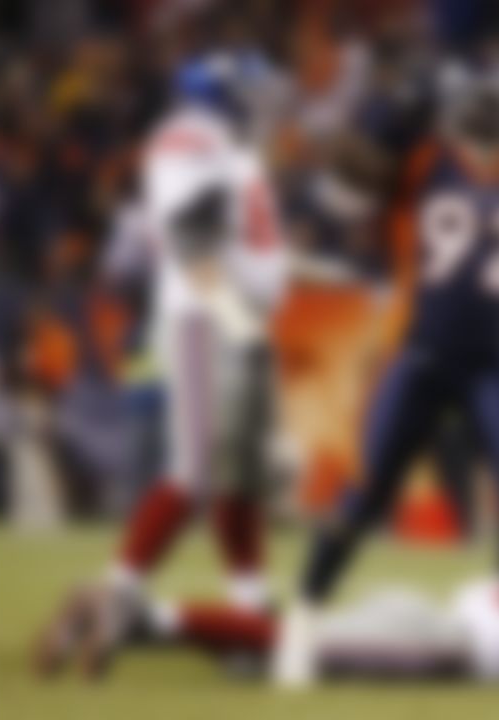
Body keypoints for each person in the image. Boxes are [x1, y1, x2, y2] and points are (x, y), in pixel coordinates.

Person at [273, 57, 499, 694]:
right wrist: (384, 112)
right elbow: (349, 164)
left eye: (496, 104)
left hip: (498, 356)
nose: (485, 116)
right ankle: (302, 627)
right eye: (474, 104)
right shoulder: (420, 160)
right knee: (365, 496)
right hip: (419, 352)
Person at [35, 51, 290, 678]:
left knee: (239, 476)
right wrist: (238, 319)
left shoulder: (228, 146)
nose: (265, 110)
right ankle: (116, 595)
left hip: (232, 317)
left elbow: (237, 238)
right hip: (205, 316)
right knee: (197, 468)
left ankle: (247, 610)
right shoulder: (188, 137)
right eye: (252, 96)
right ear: (219, 97)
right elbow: (188, 240)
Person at [41, 559, 499, 687]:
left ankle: (133, 624)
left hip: (432, 608)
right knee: (291, 648)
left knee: (262, 661)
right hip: (446, 645)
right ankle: (138, 611)